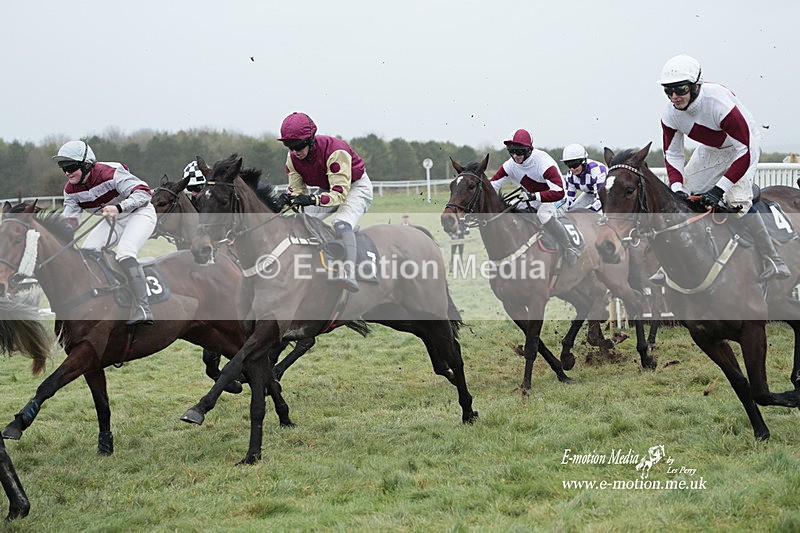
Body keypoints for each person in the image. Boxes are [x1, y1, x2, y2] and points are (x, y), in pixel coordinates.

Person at [658, 54, 790, 282]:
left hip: (744, 147)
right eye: (668, 91)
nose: (674, 97)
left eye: (680, 89)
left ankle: (774, 260)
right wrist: (678, 187)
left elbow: (745, 151)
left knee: (736, 200)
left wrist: (719, 189)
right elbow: (673, 153)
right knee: (681, 200)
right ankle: (672, 266)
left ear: (695, 86)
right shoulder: (669, 115)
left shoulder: (719, 104)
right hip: (711, 149)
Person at [53, 140, 157, 325]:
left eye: (70, 166)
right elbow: (70, 221)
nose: (67, 172)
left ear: (86, 165)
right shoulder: (70, 190)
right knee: (87, 253)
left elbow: (144, 192)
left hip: (140, 213)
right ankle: (104, 298)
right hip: (112, 220)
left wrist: (119, 207)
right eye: (63, 167)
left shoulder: (110, 172)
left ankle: (143, 307)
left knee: (125, 253)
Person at [277, 112, 374, 292]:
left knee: (341, 222)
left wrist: (311, 199)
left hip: (355, 187)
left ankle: (349, 271)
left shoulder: (336, 152)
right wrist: (286, 198)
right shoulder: (292, 158)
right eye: (289, 146)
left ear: (311, 139)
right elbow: (297, 190)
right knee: (302, 221)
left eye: (299, 145)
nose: (295, 151)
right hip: (327, 188)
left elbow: (339, 195)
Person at [489, 129, 580, 266]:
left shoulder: (543, 162)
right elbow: (491, 187)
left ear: (529, 150)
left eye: (519, 152)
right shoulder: (510, 165)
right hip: (534, 199)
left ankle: (569, 248)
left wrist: (533, 196)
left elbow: (559, 192)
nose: (515, 156)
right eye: (511, 151)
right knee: (509, 209)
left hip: (557, 198)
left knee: (543, 215)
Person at [561, 143, 606, 212]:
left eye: (575, 165)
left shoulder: (598, 171)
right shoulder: (570, 175)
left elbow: (601, 201)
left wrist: (585, 213)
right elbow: (569, 199)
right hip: (590, 194)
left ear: (584, 161)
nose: (572, 169)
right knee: (571, 211)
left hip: (607, 196)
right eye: (568, 165)